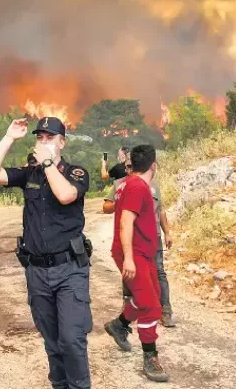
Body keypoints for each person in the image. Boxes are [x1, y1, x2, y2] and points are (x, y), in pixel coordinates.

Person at [0, 116, 92, 389]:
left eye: (50, 138)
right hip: (37, 271)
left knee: (71, 339)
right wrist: (9, 137)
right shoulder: (29, 175)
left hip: (69, 269)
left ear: (62, 142)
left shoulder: (76, 172)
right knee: (52, 340)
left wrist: (47, 164)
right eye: (40, 137)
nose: (44, 142)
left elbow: (66, 195)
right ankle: (59, 384)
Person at [104, 144, 169, 382]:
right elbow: (126, 223)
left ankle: (119, 325)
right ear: (154, 165)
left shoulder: (129, 184)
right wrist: (129, 258)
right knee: (151, 306)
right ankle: (150, 357)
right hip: (134, 254)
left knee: (150, 295)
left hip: (143, 253)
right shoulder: (137, 186)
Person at [103, 160, 176, 327]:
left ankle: (165, 311)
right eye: (127, 167)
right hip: (131, 238)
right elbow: (106, 206)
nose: (129, 170)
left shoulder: (153, 185)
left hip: (153, 237)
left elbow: (160, 210)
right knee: (130, 273)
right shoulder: (120, 184)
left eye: (132, 166)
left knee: (159, 272)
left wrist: (167, 233)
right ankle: (128, 309)